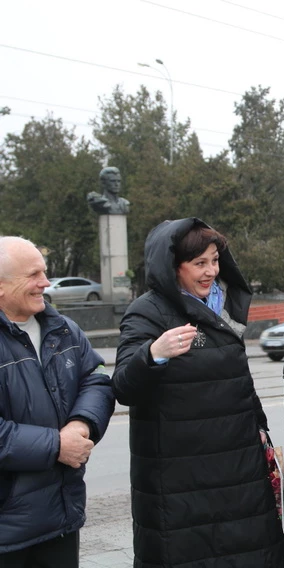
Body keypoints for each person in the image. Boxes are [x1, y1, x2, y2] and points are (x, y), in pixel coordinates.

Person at [113, 219, 284, 567]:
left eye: (215, 260)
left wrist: (262, 434)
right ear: (172, 266)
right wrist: (152, 354)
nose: (211, 272)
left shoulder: (225, 307)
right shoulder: (147, 312)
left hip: (240, 469)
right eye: (199, 263)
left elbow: (240, 385)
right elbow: (123, 387)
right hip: (181, 482)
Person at [0, 236, 115, 567]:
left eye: (44, 272)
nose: (45, 283)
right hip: (7, 533)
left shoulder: (62, 328)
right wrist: (56, 445)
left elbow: (95, 377)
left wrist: (82, 423)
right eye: (33, 274)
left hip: (61, 519)